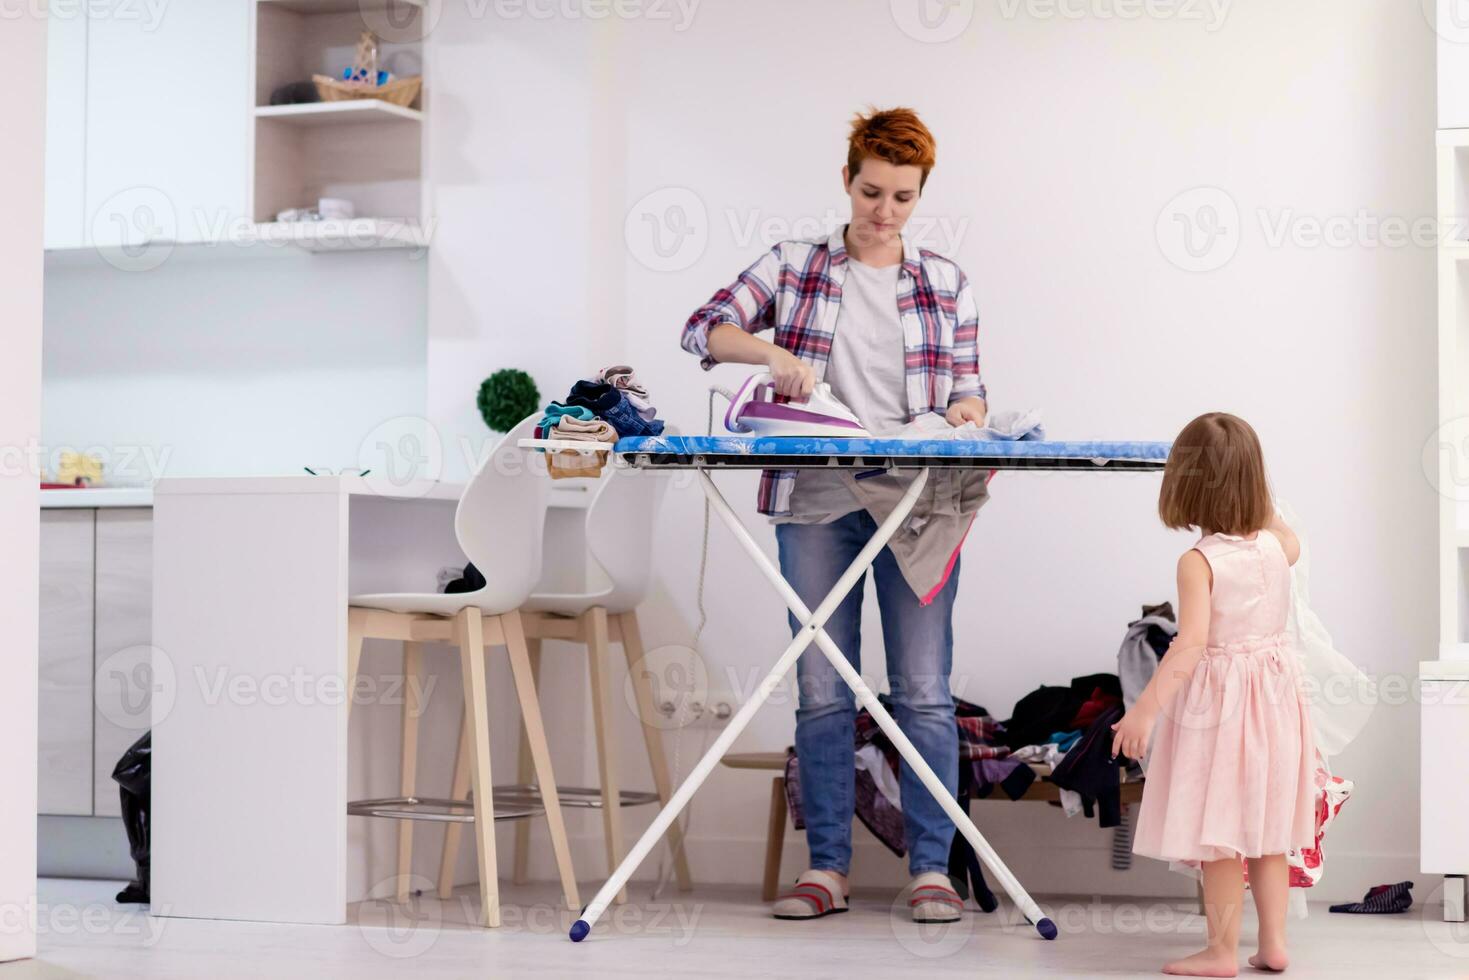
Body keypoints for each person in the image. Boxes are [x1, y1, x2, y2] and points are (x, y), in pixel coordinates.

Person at [679, 106, 987, 922]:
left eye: (902, 197)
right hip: (815, 501)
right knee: (822, 689)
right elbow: (701, 329)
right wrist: (772, 353)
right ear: (845, 178)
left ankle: (930, 870)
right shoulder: (792, 266)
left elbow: (967, 388)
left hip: (914, 504)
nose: (883, 211)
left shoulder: (946, 282)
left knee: (921, 689)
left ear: (922, 195)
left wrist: (965, 413)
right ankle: (826, 868)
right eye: (870, 191)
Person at [1112, 412, 1316, 977]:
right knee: (1268, 831)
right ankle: (1273, 944)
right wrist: (1252, 490)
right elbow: (1284, 530)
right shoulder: (1280, 548)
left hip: (1223, 712)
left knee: (1221, 832)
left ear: (1185, 484)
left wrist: (1144, 711)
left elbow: (1191, 644)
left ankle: (1222, 950)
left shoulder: (1198, 561)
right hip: (1276, 702)